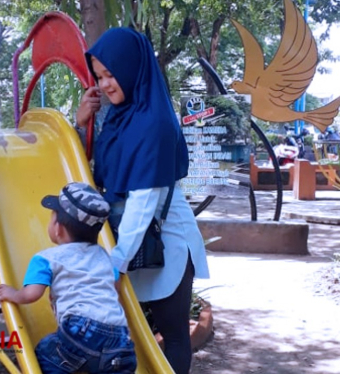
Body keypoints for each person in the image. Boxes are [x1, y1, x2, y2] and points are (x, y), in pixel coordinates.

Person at [75, 27, 209, 374]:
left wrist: (117, 259)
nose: (104, 84)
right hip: (131, 239)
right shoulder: (119, 116)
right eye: (99, 76)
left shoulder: (155, 122)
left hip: (167, 242)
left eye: (111, 74)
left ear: (133, 67)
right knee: (132, 332)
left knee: (174, 334)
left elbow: (144, 198)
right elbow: (95, 175)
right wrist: (82, 123)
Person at [0, 182, 136, 374]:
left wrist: (13, 294)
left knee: (44, 354)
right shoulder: (105, 256)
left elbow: (31, 294)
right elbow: (115, 287)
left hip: (81, 332)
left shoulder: (46, 258)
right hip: (120, 338)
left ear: (58, 229)